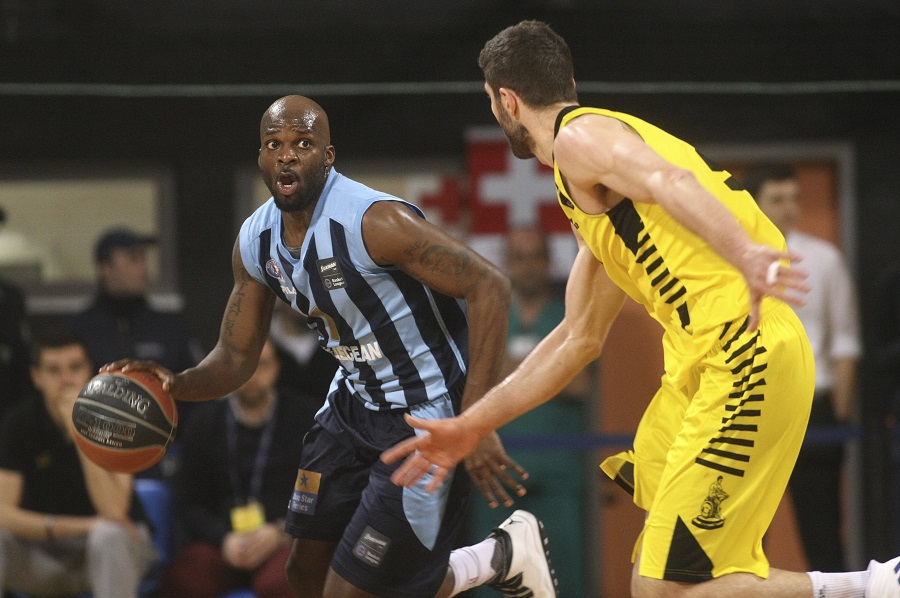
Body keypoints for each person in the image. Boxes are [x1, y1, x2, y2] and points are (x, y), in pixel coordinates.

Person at [382, 20, 900, 598]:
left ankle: (873, 585)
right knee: (651, 582)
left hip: (744, 350)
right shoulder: (590, 197)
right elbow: (577, 338)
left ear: (507, 101)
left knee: (664, 586)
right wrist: (472, 424)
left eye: (490, 99)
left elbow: (666, 178)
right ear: (568, 80)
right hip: (700, 366)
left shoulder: (580, 138)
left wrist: (744, 252)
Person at [103, 95, 559, 598]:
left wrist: (476, 420)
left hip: (424, 412)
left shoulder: (373, 221)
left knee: (357, 590)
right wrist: (174, 384)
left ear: (327, 156)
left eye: (303, 144)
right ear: (261, 158)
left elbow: (490, 285)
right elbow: (235, 357)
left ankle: (492, 558)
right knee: (304, 574)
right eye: (274, 144)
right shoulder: (256, 241)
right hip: (351, 405)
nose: (287, 155)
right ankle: (498, 557)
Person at [744, 161, 862, 572]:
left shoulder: (824, 258)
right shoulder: (729, 258)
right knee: (743, 536)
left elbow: (845, 341)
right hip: (752, 403)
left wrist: (836, 416)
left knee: (823, 534)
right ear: (754, 203)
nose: (789, 207)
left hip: (815, 406)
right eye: (777, 199)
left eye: (794, 198)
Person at [469, 225, 593, 597]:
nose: (527, 266)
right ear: (505, 262)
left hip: (559, 474)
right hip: (497, 471)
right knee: (490, 575)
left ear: (548, 261)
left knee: (563, 575)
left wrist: (506, 368)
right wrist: (549, 370)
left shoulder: (569, 312)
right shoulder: (489, 314)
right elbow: (475, 381)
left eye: (535, 256)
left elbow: (579, 384)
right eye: (518, 257)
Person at [0, 327, 157, 598]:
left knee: (108, 536)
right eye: (54, 371)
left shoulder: (118, 422)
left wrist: (81, 430)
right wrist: (80, 526)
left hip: (114, 550)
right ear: (36, 377)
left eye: (74, 368)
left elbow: (113, 511)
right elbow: (4, 513)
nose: (66, 380)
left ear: (90, 372)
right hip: (44, 553)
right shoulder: (19, 424)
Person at [161, 339, 308, 598]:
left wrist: (282, 531)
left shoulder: (305, 418)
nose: (252, 375)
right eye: (243, 367)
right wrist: (222, 538)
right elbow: (188, 502)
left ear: (276, 368)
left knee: (286, 581)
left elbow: (322, 495)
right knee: (186, 577)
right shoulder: (204, 422)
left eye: (261, 365)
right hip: (222, 541)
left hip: (281, 537)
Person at [70, 226, 203, 476]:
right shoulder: (78, 330)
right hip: (94, 460)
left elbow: (199, 396)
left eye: (144, 258)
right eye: (134, 259)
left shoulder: (171, 328)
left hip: (164, 459)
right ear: (105, 268)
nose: (144, 268)